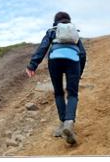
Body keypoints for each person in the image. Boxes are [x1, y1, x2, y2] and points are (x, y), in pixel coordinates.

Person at [26, 11, 87, 145]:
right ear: (68, 21)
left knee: (58, 92)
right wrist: (79, 73)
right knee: (72, 94)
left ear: (56, 21)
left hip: (55, 59)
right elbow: (82, 53)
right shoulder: (74, 32)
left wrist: (32, 65)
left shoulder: (52, 30)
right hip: (73, 60)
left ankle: (62, 124)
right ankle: (69, 123)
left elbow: (43, 47)